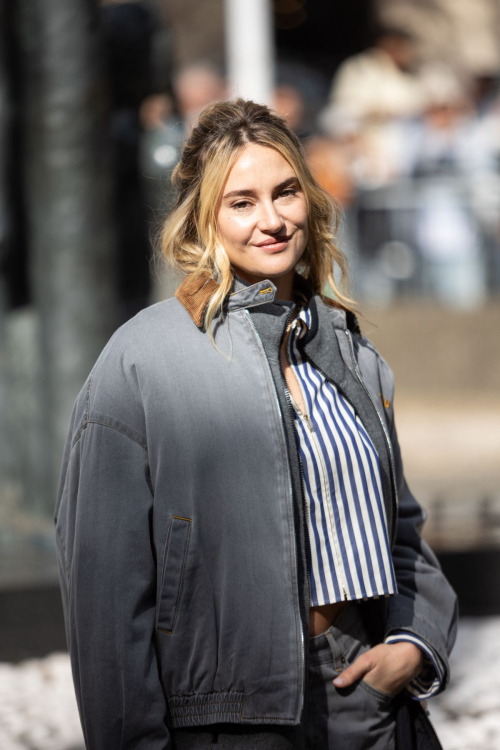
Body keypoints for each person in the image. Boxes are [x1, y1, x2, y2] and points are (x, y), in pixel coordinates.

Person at [54, 99, 458, 749]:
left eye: (286, 192)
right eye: (241, 202)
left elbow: (401, 529)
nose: (271, 220)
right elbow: (106, 593)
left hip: (367, 696)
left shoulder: (351, 351)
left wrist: (414, 644)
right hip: (228, 717)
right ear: (203, 217)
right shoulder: (141, 361)